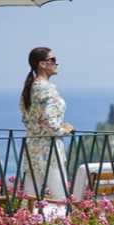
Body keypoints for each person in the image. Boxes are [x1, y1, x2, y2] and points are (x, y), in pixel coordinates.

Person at [20, 47, 74, 200]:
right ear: (42, 64)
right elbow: (49, 121)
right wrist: (65, 130)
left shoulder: (29, 87)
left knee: (31, 197)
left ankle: (24, 222)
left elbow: (26, 117)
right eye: (53, 60)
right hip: (49, 148)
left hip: (32, 145)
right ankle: (63, 223)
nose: (56, 63)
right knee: (60, 196)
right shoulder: (47, 88)